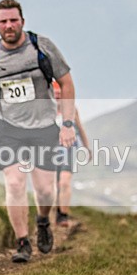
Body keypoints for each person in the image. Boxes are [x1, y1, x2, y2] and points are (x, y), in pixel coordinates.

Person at [0, 0, 77, 263]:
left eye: (13, 20)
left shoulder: (42, 47)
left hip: (44, 128)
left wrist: (67, 124)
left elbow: (66, 84)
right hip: (8, 129)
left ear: (22, 21)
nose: (9, 26)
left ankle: (42, 220)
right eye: (3, 22)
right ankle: (22, 241)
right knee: (15, 183)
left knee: (44, 191)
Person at [52, 80, 90, 228]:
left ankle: (63, 215)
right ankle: (56, 209)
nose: (57, 97)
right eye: (54, 94)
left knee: (65, 181)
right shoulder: (46, 111)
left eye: (59, 94)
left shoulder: (72, 110)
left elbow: (80, 129)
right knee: (54, 185)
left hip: (68, 149)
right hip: (49, 151)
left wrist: (87, 148)